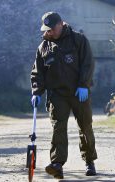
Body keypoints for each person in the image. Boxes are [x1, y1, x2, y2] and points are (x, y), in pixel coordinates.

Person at [30, 12, 97, 179]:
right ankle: (57, 164)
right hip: (57, 95)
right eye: (47, 30)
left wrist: (84, 85)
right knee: (58, 128)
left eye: (52, 29)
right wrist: (37, 91)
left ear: (60, 24)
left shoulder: (78, 40)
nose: (49, 32)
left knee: (85, 126)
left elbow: (88, 64)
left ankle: (89, 161)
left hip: (78, 92)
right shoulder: (43, 47)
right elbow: (38, 73)